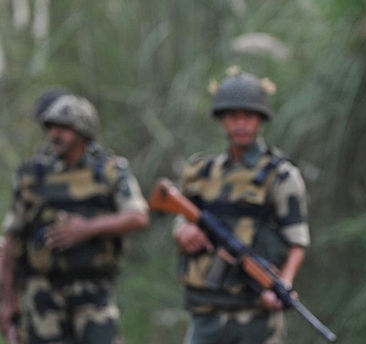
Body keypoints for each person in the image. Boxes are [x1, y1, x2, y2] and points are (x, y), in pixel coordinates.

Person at [173, 68, 310, 344]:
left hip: (256, 316)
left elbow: (297, 242)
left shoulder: (281, 175)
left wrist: (282, 283)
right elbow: (181, 214)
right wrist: (182, 230)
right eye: (233, 116)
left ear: (260, 120)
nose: (241, 124)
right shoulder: (200, 170)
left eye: (248, 116)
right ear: (222, 119)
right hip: (206, 314)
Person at [0, 93, 149, 343]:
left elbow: (137, 216)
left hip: (92, 289)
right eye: (52, 127)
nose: (55, 134)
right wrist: (7, 299)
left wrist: (86, 229)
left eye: (64, 128)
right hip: (42, 293)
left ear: (83, 132)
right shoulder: (32, 175)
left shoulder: (109, 171)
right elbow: (13, 238)